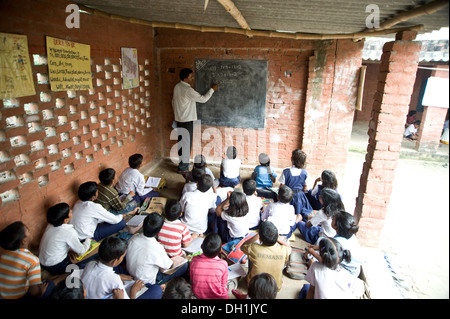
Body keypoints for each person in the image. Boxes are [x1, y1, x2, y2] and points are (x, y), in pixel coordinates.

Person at [81, 235, 162, 299]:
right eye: (122, 257)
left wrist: (117, 276)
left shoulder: (90, 265)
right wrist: (133, 291)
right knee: (156, 290)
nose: (123, 258)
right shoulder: (114, 280)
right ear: (114, 261)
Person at [172, 68, 218, 173]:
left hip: (179, 119)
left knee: (181, 143)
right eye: (191, 76)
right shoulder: (188, 90)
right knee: (186, 144)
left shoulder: (177, 87)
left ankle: (181, 165)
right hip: (187, 120)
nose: (192, 78)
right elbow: (203, 99)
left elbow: (173, 102)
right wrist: (212, 89)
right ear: (185, 77)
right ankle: (183, 168)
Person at [0, 221, 63, 299]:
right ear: (24, 241)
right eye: (28, 230)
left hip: (3, 295)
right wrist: (42, 291)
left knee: (45, 280)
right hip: (19, 296)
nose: (30, 232)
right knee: (51, 283)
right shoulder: (31, 260)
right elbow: (34, 292)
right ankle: (68, 275)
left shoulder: (4, 254)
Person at [126, 213, 188, 286]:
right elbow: (169, 266)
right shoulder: (157, 248)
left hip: (131, 273)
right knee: (185, 266)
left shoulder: (133, 238)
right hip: (147, 282)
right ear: (159, 231)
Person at [234, 221, 291, 297]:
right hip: (275, 287)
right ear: (277, 236)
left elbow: (243, 246)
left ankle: (248, 280)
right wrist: (276, 239)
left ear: (260, 239)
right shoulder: (284, 250)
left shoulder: (254, 248)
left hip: (253, 286)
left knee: (251, 256)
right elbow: (289, 247)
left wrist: (257, 236)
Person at [298, 237, 365, 299]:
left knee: (306, 288)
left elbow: (312, 290)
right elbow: (360, 288)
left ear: (321, 255)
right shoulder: (346, 275)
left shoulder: (315, 267)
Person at [39, 203, 91, 275]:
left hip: (42, 261)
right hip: (55, 265)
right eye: (70, 211)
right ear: (66, 220)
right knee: (83, 264)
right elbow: (81, 251)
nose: (72, 211)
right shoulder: (69, 232)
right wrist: (88, 240)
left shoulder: (51, 224)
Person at [189, 233, 229, 299]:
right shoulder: (223, 264)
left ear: (202, 246)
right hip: (217, 296)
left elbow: (192, 279)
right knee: (233, 282)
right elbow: (223, 284)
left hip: (197, 295)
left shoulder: (194, 260)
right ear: (220, 250)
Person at [279, 149, 313, 219]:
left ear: (292, 160)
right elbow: (305, 188)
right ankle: (303, 214)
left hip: (288, 196)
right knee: (304, 208)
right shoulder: (305, 172)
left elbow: (281, 186)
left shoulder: (286, 172)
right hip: (299, 197)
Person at [332, 211, 364, 277]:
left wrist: (312, 253)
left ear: (337, 226)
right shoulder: (350, 235)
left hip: (346, 272)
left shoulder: (337, 241)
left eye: (333, 219)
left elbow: (329, 260)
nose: (331, 219)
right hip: (355, 270)